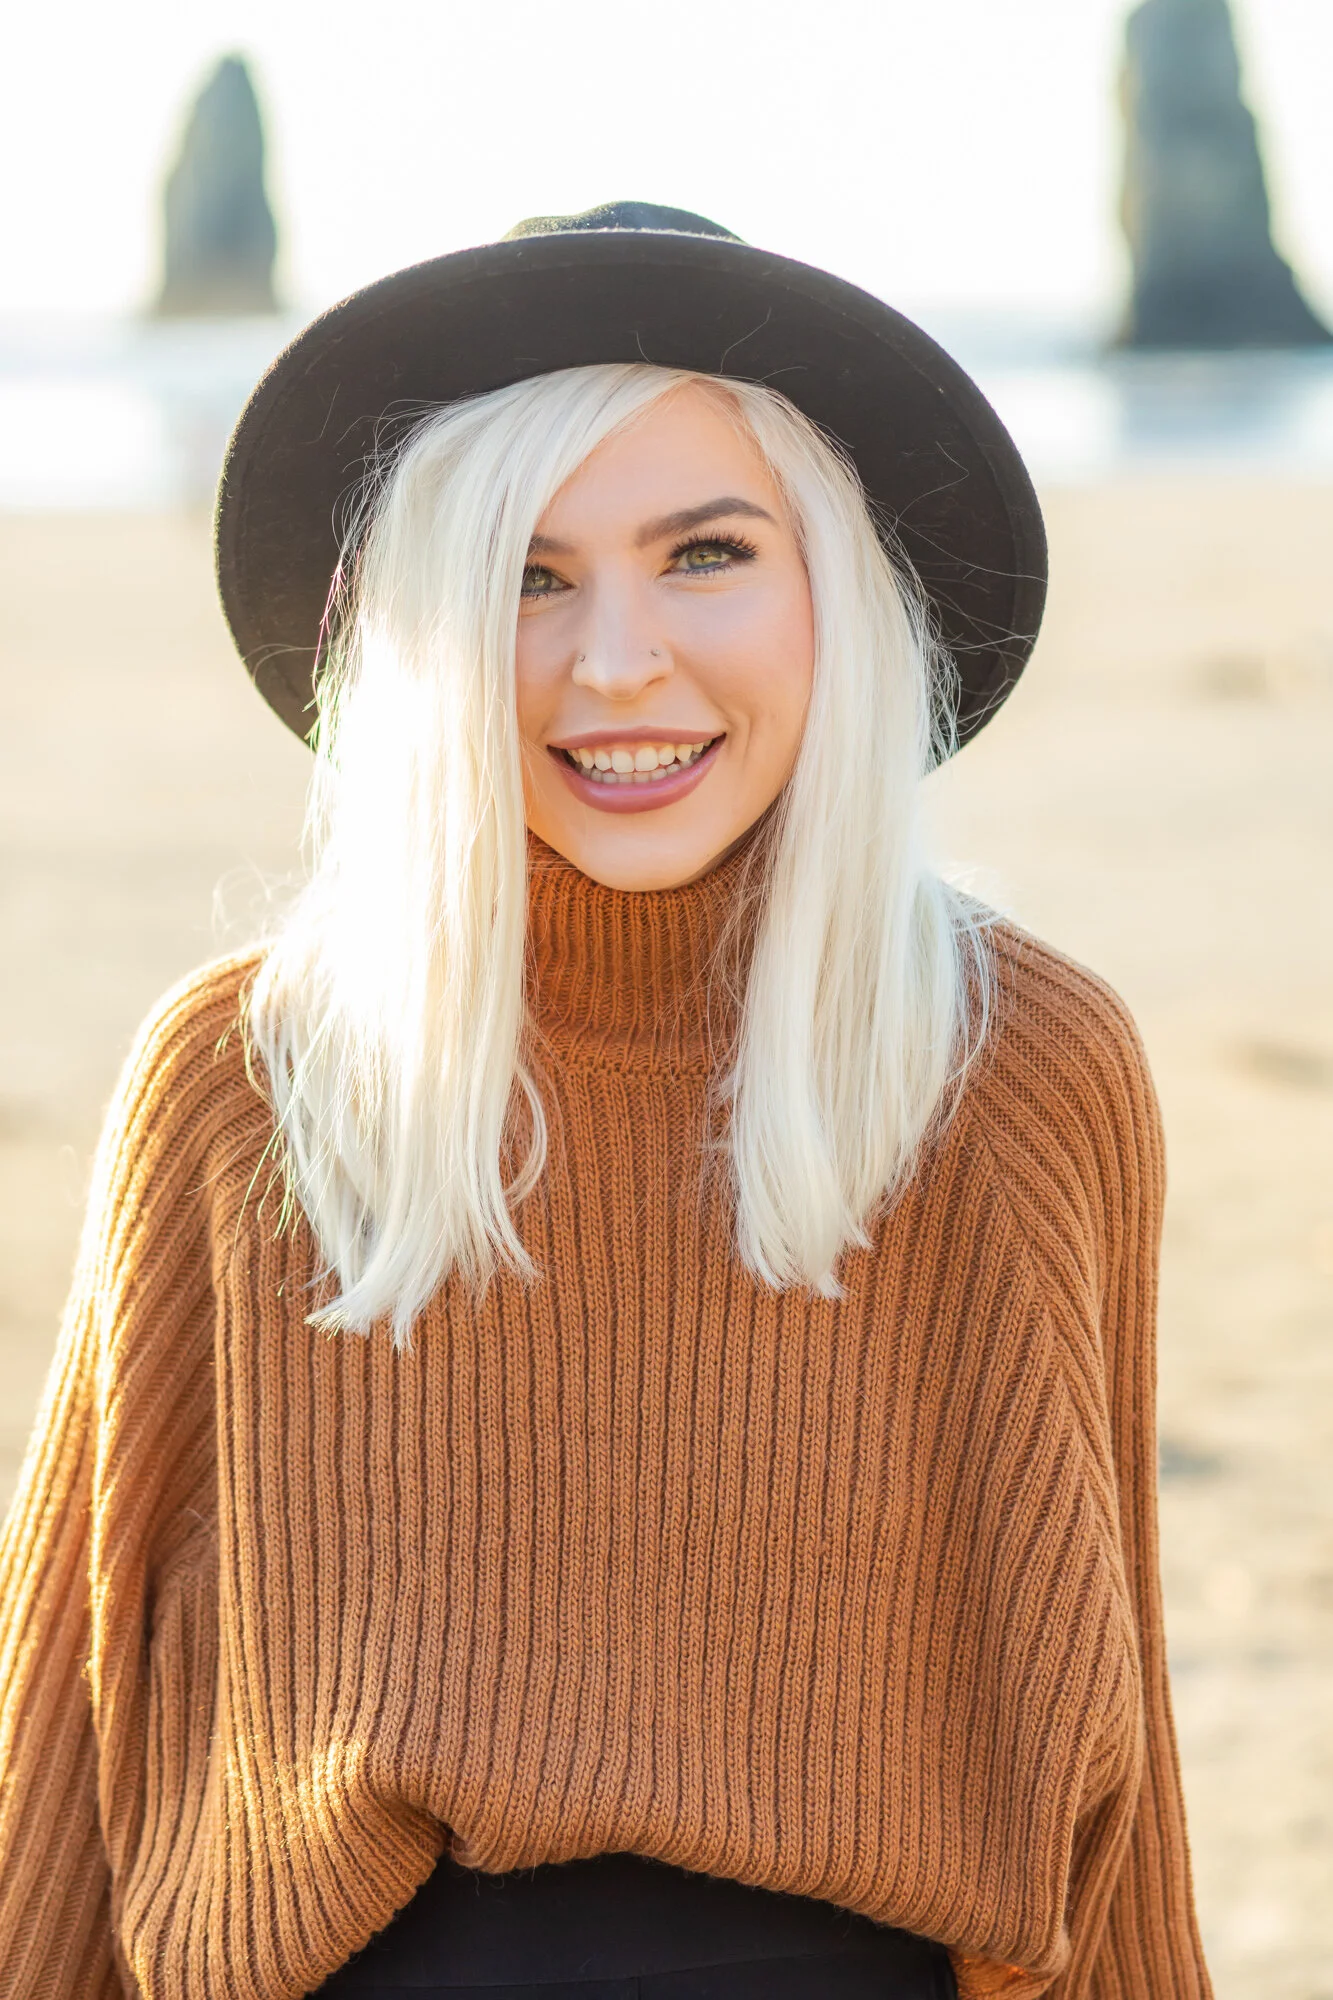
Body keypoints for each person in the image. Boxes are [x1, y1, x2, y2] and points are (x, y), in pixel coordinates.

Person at [0, 204, 1212, 2000]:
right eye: (526, 576)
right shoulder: (250, 1077)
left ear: (843, 591)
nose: (615, 660)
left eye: (706, 552)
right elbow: (71, 1740)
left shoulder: (1016, 1066)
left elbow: (1107, 1759)